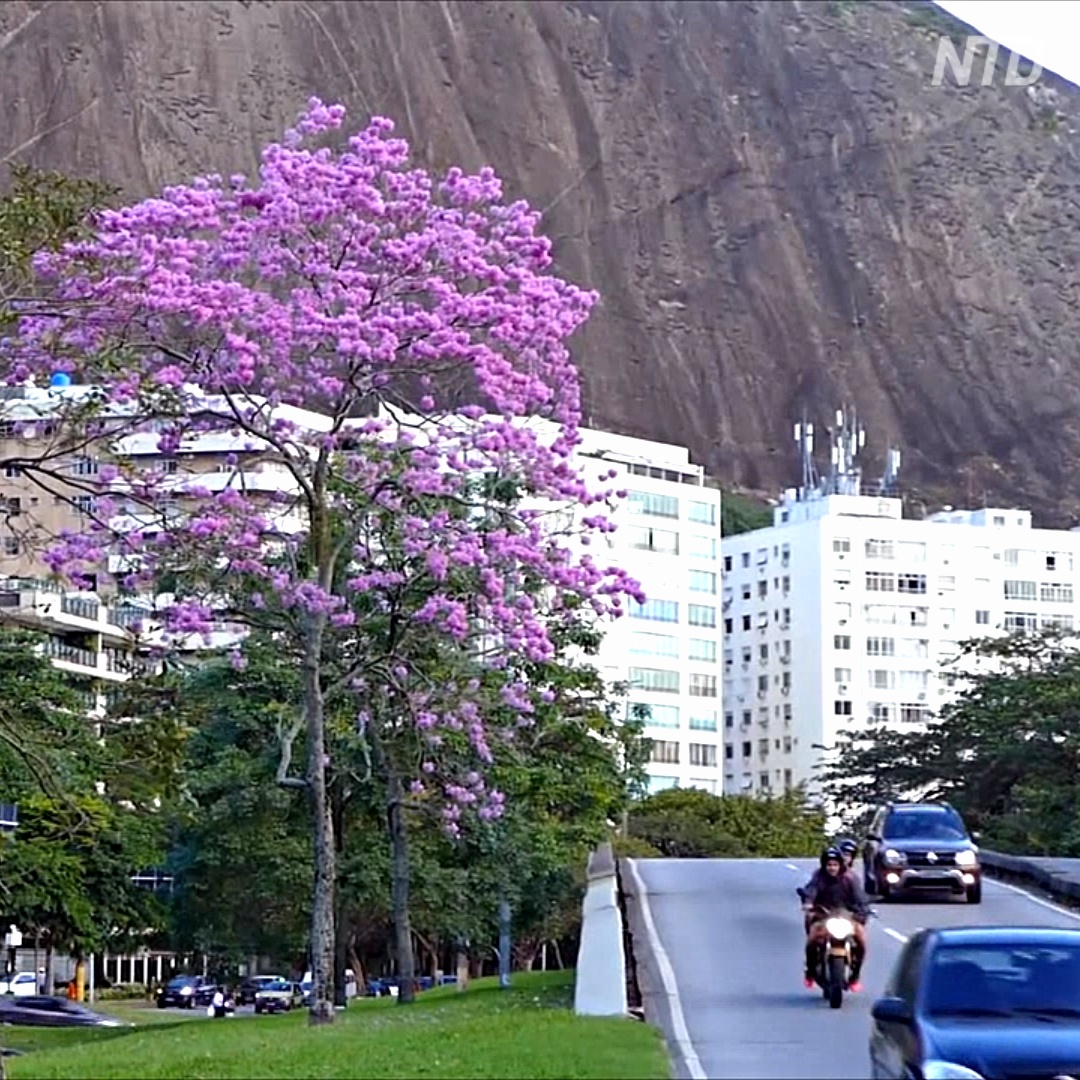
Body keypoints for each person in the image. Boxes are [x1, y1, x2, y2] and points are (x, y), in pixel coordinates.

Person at [801, 845, 869, 993]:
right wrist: (808, 903)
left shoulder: (850, 878)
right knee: (812, 940)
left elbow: (860, 897)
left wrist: (864, 909)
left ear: (840, 865)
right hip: (823, 915)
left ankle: (855, 975)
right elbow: (811, 891)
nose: (832, 868)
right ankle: (810, 971)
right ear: (824, 865)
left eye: (835, 864)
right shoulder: (818, 877)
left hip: (847, 916)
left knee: (862, 940)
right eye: (829, 865)